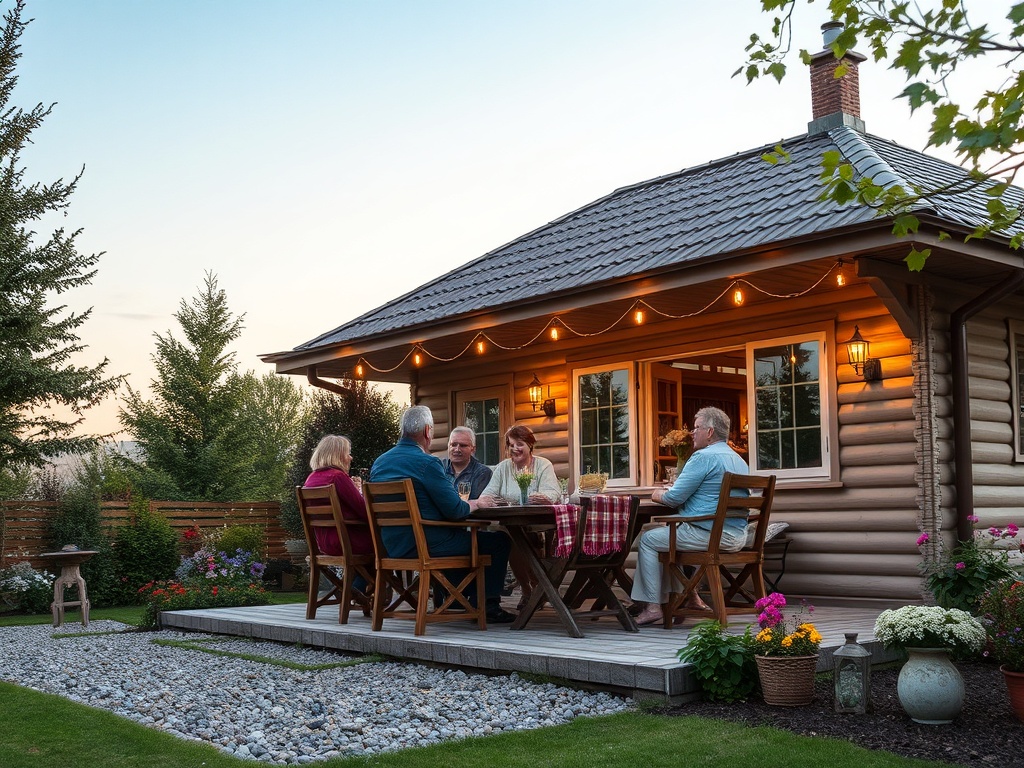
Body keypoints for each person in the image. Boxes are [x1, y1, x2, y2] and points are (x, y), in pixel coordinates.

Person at [369, 405, 516, 623]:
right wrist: (476, 503)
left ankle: (458, 600)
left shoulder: (380, 462)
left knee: (467, 541)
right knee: (498, 541)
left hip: (391, 545)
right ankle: (486, 606)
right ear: (428, 432)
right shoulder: (427, 463)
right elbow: (456, 510)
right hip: (427, 544)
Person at [631, 406, 750, 626]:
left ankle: (653, 607)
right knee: (667, 538)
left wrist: (656, 493)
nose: (692, 433)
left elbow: (673, 499)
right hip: (737, 535)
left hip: (711, 534)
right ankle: (691, 597)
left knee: (649, 540)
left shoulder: (702, 458)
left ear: (710, 432)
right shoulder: (739, 460)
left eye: (696, 428)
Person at [476, 425, 562, 609]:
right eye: (511, 444)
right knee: (511, 538)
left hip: (540, 523)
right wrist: (486, 500)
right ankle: (529, 589)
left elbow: (553, 492)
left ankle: (538, 588)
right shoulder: (503, 468)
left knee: (522, 540)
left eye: (520, 444)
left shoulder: (543, 465)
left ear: (530, 445)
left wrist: (543, 498)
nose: (514, 448)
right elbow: (487, 494)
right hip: (512, 523)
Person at [303, 435, 373, 593]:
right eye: (348, 453)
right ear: (339, 455)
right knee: (385, 547)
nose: (351, 457)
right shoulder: (338, 477)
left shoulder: (311, 479)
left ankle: (353, 592)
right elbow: (364, 511)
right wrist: (360, 491)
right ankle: (353, 592)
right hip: (348, 542)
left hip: (324, 543)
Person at [442, 426, 492, 500]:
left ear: (473, 449)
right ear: (448, 446)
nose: (457, 449)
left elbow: (475, 502)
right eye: (453, 444)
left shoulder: (482, 473)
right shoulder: (439, 467)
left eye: (463, 445)